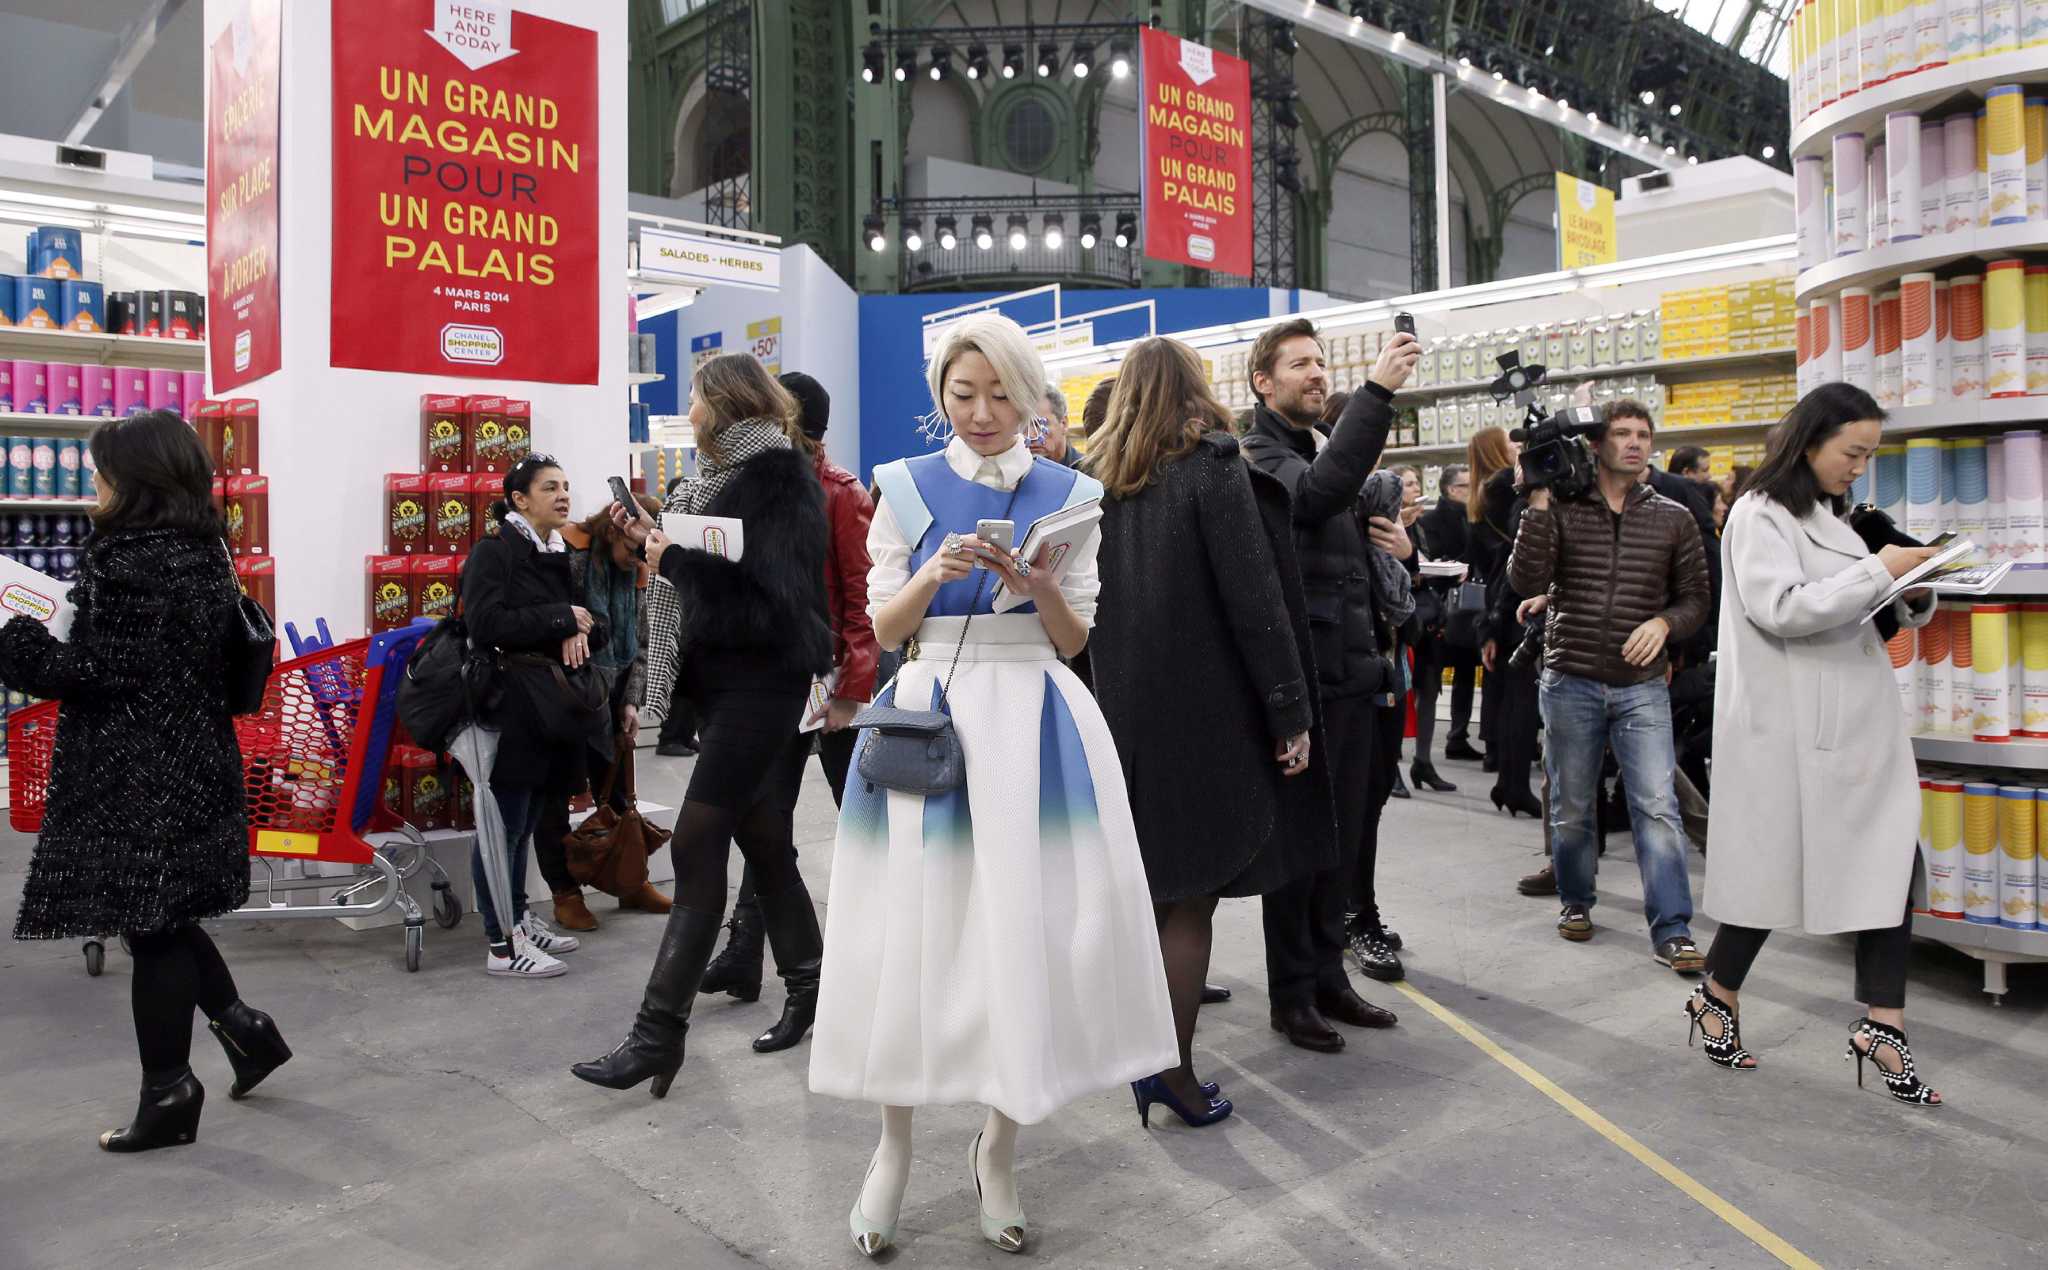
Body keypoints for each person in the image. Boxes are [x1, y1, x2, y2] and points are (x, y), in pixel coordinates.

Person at [809, 313, 1176, 1258]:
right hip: (928, 723)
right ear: (941, 397)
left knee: (1028, 933)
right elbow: (885, 632)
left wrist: (1033, 580)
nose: (980, 412)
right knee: (910, 933)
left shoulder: (1073, 493)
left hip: (1039, 727)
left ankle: (999, 1150)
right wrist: (935, 570)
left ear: (1029, 394)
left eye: (998, 393)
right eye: (962, 394)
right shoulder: (899, 486)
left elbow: (1075, 638)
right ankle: (890, 1150)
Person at [0, 410, 288, 1152]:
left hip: (138, 771)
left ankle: (169, 1093)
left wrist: (16, 639)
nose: (91, 480)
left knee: (153, 928)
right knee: (166, 912)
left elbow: (100, 673)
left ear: (134, 479)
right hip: (191, 760)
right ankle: (246, 1032)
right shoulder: (201, 549)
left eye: (100, 469)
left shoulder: (129, 561)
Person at [1088, 336, 1337, 1127]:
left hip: (1116, 717)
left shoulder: (1091, 485)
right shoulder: (1212, 465)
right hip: (1206, 719)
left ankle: (1146, 1057)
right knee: (1191, 903)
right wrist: (1290, 713)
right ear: (1196, 389)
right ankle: (1171, 1071)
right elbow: (1256, 602)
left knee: (1150, 895)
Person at [572, 352, 833, 1092]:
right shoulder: (710, 481)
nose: (688, 411)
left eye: (693, 398)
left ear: (722, 402)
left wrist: (678, 559)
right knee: (766, 843)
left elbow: (776, 604)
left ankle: (657, 1035)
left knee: (695, 844)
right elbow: (726, 572)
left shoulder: (780, 479)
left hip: (764, 685)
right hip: (722, 686)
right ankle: (812, 988)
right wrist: (662, 535)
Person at [1691, 382, 1943, 1105]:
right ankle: (1716, 992)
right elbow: (1783, 608)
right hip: (1794, 728)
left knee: (1886, 862)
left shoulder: (1835, 514)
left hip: (1851, 723)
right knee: (1774, 874)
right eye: (1851, 452)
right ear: (1809, 442)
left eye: (1869, 455)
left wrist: (1912, 585)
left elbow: (1863, 607)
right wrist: (1878, 570)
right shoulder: (1759, 513)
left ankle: (1882, 1026)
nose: (1859, 467)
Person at [1241, 317, 1416, 1036]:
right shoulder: (1255, 453)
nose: (1317, 374)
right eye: (1300, 365)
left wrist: (1401, 542)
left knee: (1339, 842)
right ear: (1263, 381)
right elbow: (1314, 500)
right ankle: (1292, 995)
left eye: (1321, 364)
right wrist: (1376, 391)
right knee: (1298, 848)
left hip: (1350, 671)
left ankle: (1328, 975)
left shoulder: (1314, 446)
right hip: (1303, 680)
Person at [696, 370, 880, 1027]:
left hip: (833, 693)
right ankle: (745, 954)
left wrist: (852, 689)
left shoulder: (839, 492)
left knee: (863, 831)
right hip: (780, 685)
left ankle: (875, 966)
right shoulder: (763, 486)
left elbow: (863, 600)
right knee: (764, 821)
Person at [1506, 398, 1712, 971]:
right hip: (1570, 677)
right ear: (1597, 444)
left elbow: (1697, 598)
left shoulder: (1673, 517)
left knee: (1657, 808)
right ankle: (1575, 900)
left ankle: (1672, 929)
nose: (1635, 443)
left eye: (1644, 433)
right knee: (1572, 807)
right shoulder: (1564, 507)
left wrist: (1665, 622)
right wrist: (1539, 501)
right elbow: (1524, 578)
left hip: (1641, 685)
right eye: (1622, 433)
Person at [460, 453, 608, 978]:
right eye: (550, 487)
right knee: (502, 824)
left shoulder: (556, 551)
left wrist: (576, 625)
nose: (563, 495)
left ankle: (519, 916)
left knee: (523, 823)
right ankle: (502, 944)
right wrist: (560, 618)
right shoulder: (494, 552)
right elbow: (483, 622)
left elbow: (593, 620)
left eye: (566, 486)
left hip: (547, 708)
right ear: (519, 500)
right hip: (509, 705)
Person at [531, 493, 674, 932]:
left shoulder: (638, 568)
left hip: (612, 692)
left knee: (616, 794)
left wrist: (632, 699)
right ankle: (564, 892)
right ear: (616, 529)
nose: (639, 561)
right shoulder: (567, 552)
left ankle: (630, 880)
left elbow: (643, 641)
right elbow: (543, 616)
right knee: (554, 797)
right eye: (633, 550)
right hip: (568, 693)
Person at [1463, 428, 1542, 822]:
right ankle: (1513, 785)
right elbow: (1516, 561)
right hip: (1516, 604)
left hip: (1503, 604)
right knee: (1522, 702)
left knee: (1515, 700)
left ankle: (1510, 784)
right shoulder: (1508, 492)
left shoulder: (1480, 498)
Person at [1414, 464, 1479, 775]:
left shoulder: (1472, 517)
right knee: (1430, 680)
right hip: (1440, 609)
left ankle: (1457, 735)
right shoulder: (1431, 521)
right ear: (1453, 489)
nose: (1472, 491)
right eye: (1466, 486)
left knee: (1464, 670)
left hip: (1462, 608)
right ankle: (1424, 749)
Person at [1031, 385, 1081, 467]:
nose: (1031, 435)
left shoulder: (1090, 475)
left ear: (1064, 424)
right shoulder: (1012, 476)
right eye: (1022, 427)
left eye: (1039, 424)